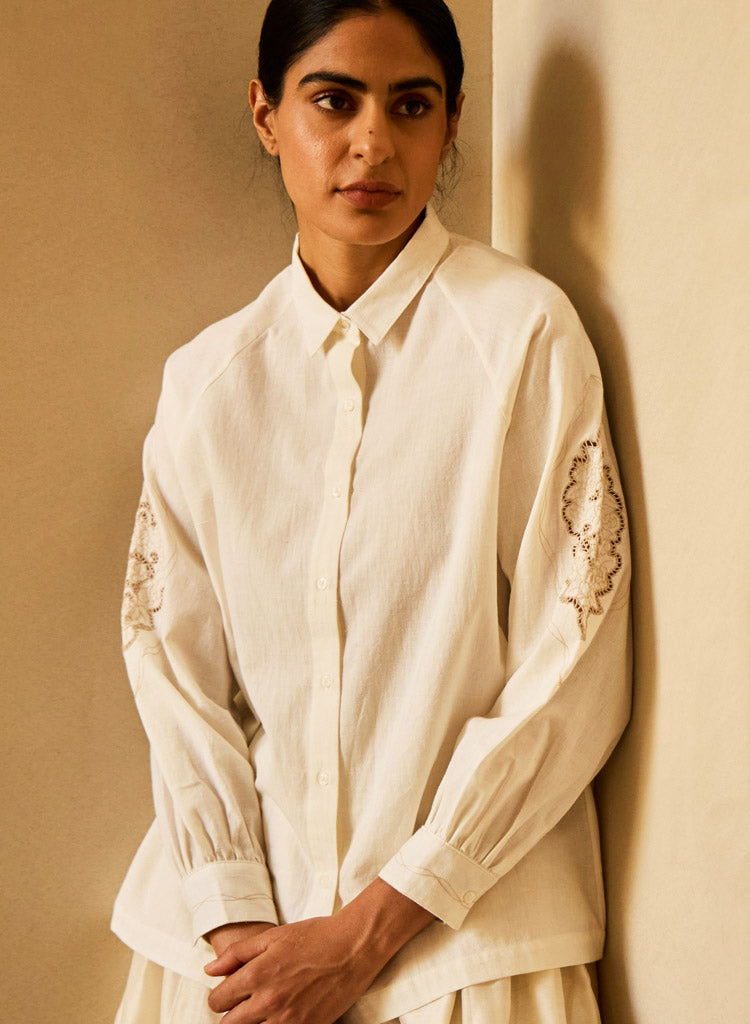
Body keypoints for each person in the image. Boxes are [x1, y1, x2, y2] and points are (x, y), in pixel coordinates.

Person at [112, 1, 631, 1021]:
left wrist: (363, 935)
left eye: (411, 105)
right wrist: (236, 922)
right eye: (333, 100)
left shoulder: (523, 338)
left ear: (453, 118)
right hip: (227, 964)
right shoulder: (208, 386)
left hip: (467, 961)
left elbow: (575, 665)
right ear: (266, 115)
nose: (373, 143)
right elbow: (171, 669)